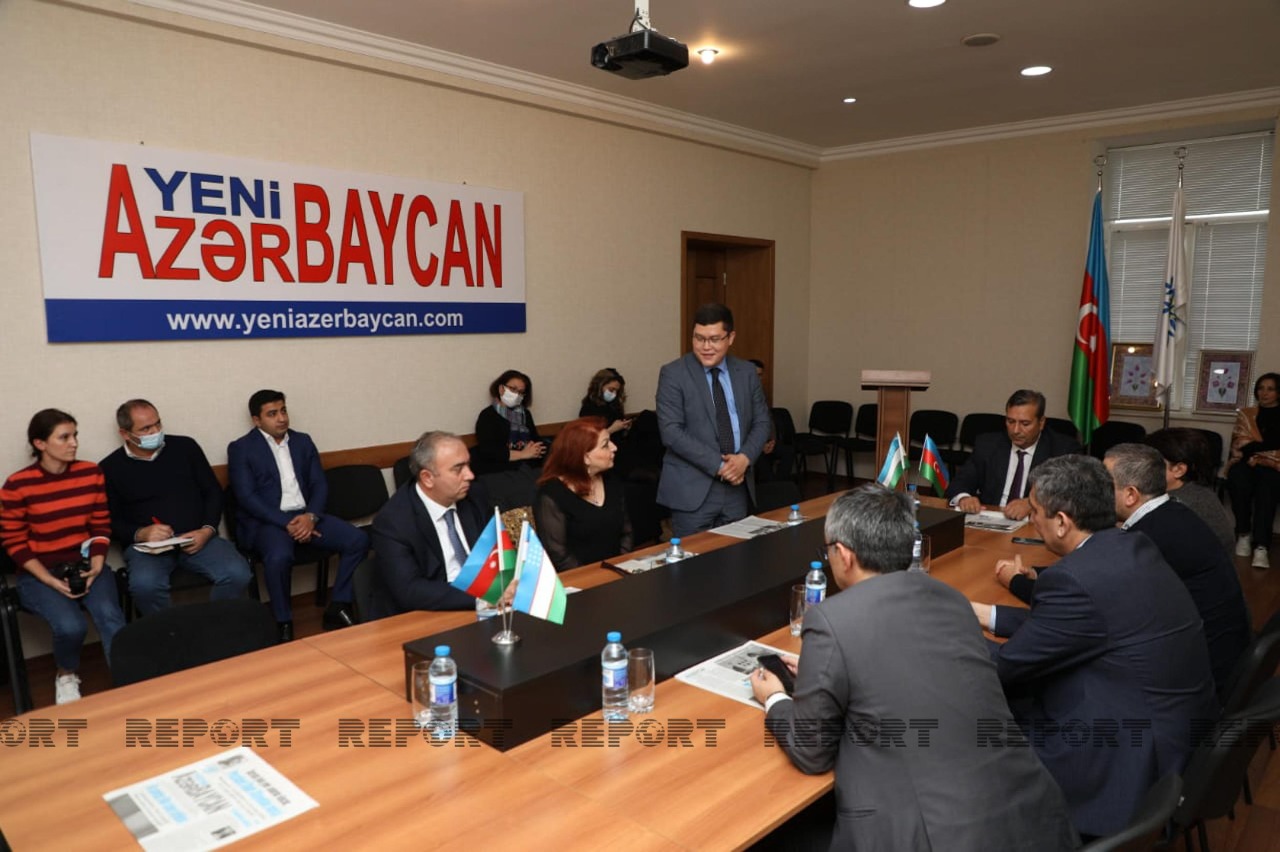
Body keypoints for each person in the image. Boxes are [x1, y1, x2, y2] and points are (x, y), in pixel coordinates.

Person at [751, 485, 1076, 850]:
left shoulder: (831, 618)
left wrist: (775, 698)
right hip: (1031, 819)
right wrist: (826, 670)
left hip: (932, 837)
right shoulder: (952, 599)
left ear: (843, 555)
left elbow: (812, 752)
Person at [970, 455, 1217, 838]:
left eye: (1034, 511)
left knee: (967, 715)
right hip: (1173, 730)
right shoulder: (1130, 546)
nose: (1031, 518)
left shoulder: (1075, 579)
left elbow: (1005, 667)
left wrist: (946, 626)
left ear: (1062, 521)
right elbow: (1082, 625)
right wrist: (987, 615)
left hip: (1126, 758)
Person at [1103, 443, 1250, 700]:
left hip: (1193, 682)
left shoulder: (1146, 538)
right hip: (1217, 656)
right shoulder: (1173, 512)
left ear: (1131, 495)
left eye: (1104, 484)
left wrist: (1026, 582)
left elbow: (1099, 598)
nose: (1095, 490)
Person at [0, 409, 127, 704]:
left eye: (75, 435)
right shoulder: (18, 485)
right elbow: (13, 541)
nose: (74, 443)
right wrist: (49, 580)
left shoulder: (90, 473)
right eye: (64, 437)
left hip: (85, 565)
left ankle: (127, 680)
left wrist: (97, 564)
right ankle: (66, 674)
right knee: (72, 626)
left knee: (110, 616)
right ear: (40, 443)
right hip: (39, 573)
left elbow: (100, 525)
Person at [227, 390, 368, 642]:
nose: (281, 418)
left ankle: (338, 605)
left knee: (357, 540)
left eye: (283, 411)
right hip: (269, 522)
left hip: (307, 516)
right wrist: (288, 523)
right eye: (272, 414)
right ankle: (283, 621)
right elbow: (247, 498)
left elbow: (319, 484)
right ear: (256, 420)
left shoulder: (302, 441)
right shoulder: (241, 448)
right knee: (279, 556)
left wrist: (311, 516)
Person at [100, 399, 251, 615]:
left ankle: (215, 626)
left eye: (158, 424)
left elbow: (213, 492)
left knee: (238, 573)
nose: (155, 431)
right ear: (125, 433)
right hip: (148, 549)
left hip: (198, 537)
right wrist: (140, 533)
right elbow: (109, 522)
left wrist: (207, 530)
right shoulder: (110, 467)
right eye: (146, 429)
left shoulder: (185, 447)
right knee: (145, 587)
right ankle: (171, 632)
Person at [656, 303, 771, 536]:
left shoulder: (747, 372)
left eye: (714, 339)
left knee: (736, 554)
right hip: (693, 490)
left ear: (731, 338)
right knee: (694, 557)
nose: (706, 347)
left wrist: (744, 459)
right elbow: (671, 432)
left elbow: (762, 421)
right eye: (699, 338)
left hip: (738, 487)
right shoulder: (673, 374)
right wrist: (723, 467)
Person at [367, 431, 491, 619]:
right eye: (458, 469)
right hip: (425, 614)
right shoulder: (393, 522)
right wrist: (483, 596)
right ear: (427, 478)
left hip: (484, 606)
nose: (470, 475)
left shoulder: (475, 496)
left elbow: (496, 551)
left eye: (468, 465)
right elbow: (410, 591)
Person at [945, 389, 1081, 519]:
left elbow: (1072, 493)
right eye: (1010, 421)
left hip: (1034, 524)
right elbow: (960, 482)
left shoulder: (1062, 449)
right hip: (991, 518)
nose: (1015, 430)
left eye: (1025, 423)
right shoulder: (988, 444)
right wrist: (964, 498)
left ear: (1041, 423)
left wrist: (1032, 503)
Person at [534, 417, 633, 570]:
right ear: (585, 457)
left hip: (617, 571)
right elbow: (558, 554)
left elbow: (627, 532)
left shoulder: (612, 481)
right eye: (605, 445)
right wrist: (594, 576)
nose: (614, 447)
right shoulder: (552, 495)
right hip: (579, 578)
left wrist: (618, 567)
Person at [1145, 427, 1235, 553]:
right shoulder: (1196, 490)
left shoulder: (1180, 505)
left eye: (1149, 463)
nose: (1140, 467)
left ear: (1179, 470)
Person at [1227, 371, 1280, 568]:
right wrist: (1265, 447)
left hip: (1274, 465)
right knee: (1237, 479)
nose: (1264, 393)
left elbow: (1250, 445)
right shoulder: (1246, 414)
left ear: (1278, 392)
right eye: (1261, 388)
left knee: (1267, 488)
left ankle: (1261, 546)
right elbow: (1240, 442)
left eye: (1270, 389)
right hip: (1246, 462)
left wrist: (1255, 448)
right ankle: (1243, 533)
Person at [471, 369, 547, 476]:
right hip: (500, 469)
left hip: (528, 465)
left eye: (521, 392)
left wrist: (536, 450)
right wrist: (522, 454)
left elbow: (535, 439)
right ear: (501, 389)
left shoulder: (525, 413)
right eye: (513, 389)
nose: (517, 394)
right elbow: (488, 450)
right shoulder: (488, 415)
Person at [748, 358, 795, 483]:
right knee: (761, 460)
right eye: (755, 375)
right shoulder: (737, 394)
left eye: (760, 375)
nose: (758, 379)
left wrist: (772, 440)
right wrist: (760, 444)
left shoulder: (761, 393)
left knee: (788, 452)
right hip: (749, 444)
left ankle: (780, 485)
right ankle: (771, 487)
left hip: (765, 441)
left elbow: (768, 418)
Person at [579, 368, 633, 438]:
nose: (614, 394)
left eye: (616, 391)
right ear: (600, 386)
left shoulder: (614, 405)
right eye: (611, 390)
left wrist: (625, 427)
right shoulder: (588, 408)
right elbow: (589, 439)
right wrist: (611, 430)